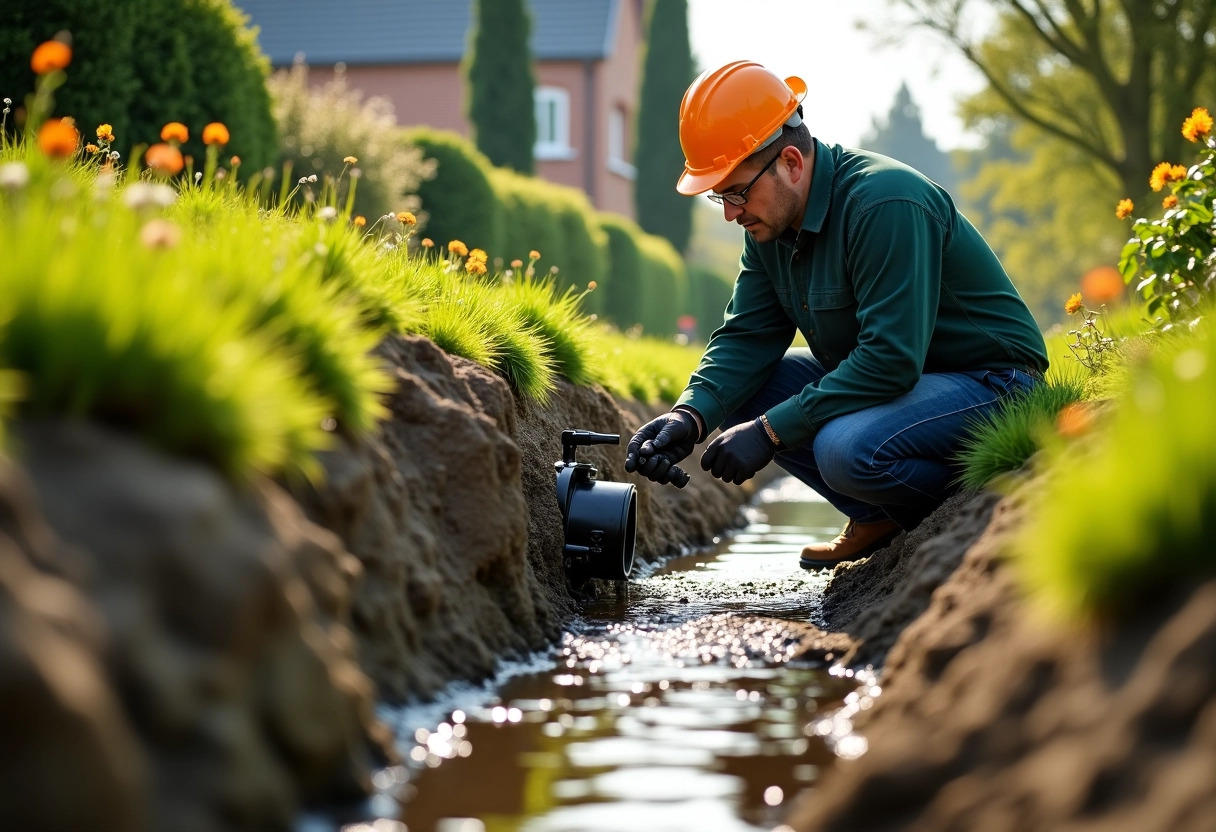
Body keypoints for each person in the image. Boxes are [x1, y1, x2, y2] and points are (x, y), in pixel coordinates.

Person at [624, 61, 1048, 570]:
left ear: (791, 163)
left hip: (991, 383)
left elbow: (890, 359)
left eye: (736, 192)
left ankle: (972, 503)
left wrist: (770, 432)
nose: (730, 213)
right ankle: (879, 515)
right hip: (910, 387)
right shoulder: (768, 228)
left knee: (844, 451)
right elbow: (747, 336)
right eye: (721, 196)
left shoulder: (885, 203)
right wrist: (688, 416)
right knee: (746, 389)